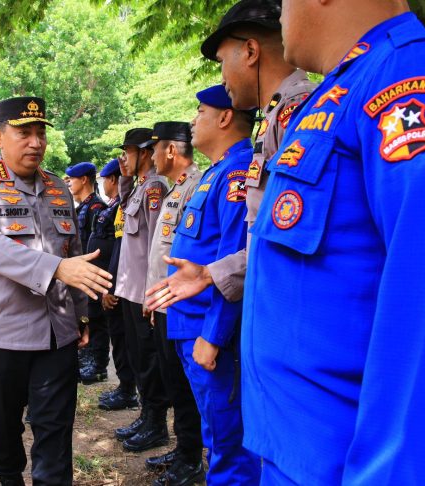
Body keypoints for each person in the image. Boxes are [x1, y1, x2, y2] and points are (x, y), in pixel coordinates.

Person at [241, 1, 425, 483]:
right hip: (294, 450)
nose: (280, 13)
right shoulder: (336, 94)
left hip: (348, 463)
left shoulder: (413, 70)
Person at [0, 96, 112, 486]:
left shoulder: (59, 189)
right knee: (3, 428)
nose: (35, 142)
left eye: (40, 132)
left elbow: (73, 255)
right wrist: (56, 268)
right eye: (23, 133)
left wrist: (81, 315)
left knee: (55, 431)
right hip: (1, 335)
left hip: (56, 336)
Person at [146, 0, 315, 310]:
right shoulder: (275, 118)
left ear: (250, 52)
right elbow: (264, 242)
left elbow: (293, 241)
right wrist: (211, 273)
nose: (222, 77)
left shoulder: (300, 113)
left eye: (222, 61)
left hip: (287, 312)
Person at [167, 85, 260, 484]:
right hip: (191, 325)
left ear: (225, 117)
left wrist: (214, 335)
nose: (193, 120)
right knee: (216, 437)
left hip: (209, 332)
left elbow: (232, 262)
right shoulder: (217, 171)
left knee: (229, 444)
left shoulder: (238, 172)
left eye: (200, 111)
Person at [137, 122, 205, 485]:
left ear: (170, 152)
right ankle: (184, 450)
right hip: (164, 303)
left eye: (154, 149)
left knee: (184, 386)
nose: (150, 157)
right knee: (173, 382)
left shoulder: (198, 187)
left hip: (181, 304)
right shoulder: (176, 188)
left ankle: (192, 458)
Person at [113, 127, 170, 453]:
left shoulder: (155, 189)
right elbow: (124, 213)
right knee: (138, 358)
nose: (124, 157)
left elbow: (155, 244)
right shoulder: (140, 188)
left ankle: (156, 424)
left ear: (146, 152)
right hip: (130, 291)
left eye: (129, 152)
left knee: (149, 361)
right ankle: (147, 416)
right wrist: (124, 178)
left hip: (143, 292)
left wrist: (153, 292)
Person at [94, 158, 138, 411]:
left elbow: (121, 250)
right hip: (111, 283)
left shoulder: (121, 205)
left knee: (125, 341)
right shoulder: (115, 206)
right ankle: (125, 387)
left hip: (119, 285)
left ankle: (128, 391)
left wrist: (110, 287)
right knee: (120, 340)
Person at [65, 162, 108, 383]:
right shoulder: (82, 207)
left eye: (71, 179)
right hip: (80, 273)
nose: (69, 183)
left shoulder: (96, 208)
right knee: (86, 317)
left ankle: (99, 366)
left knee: (96, 321)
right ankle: (88, 357)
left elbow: (97, 246)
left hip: (92, 273)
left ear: (83, 180)